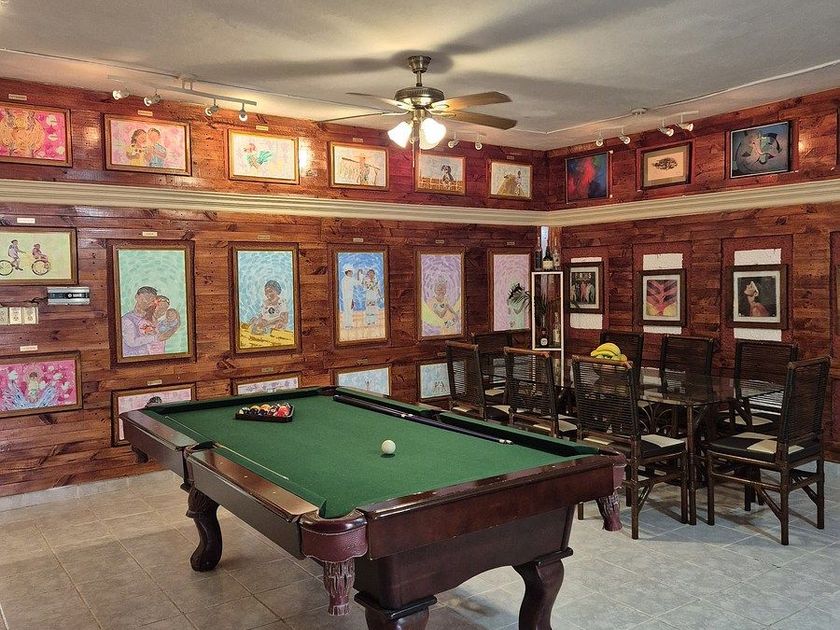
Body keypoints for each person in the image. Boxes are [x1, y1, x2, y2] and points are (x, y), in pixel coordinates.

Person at [121, 286, 166, 357]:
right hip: (132, 358)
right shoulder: (127, 319)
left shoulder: (152, 318)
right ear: (137, 297)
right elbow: (132, 342)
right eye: (147, 298)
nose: (149, 302)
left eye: (152, 301)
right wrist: (155, 338)